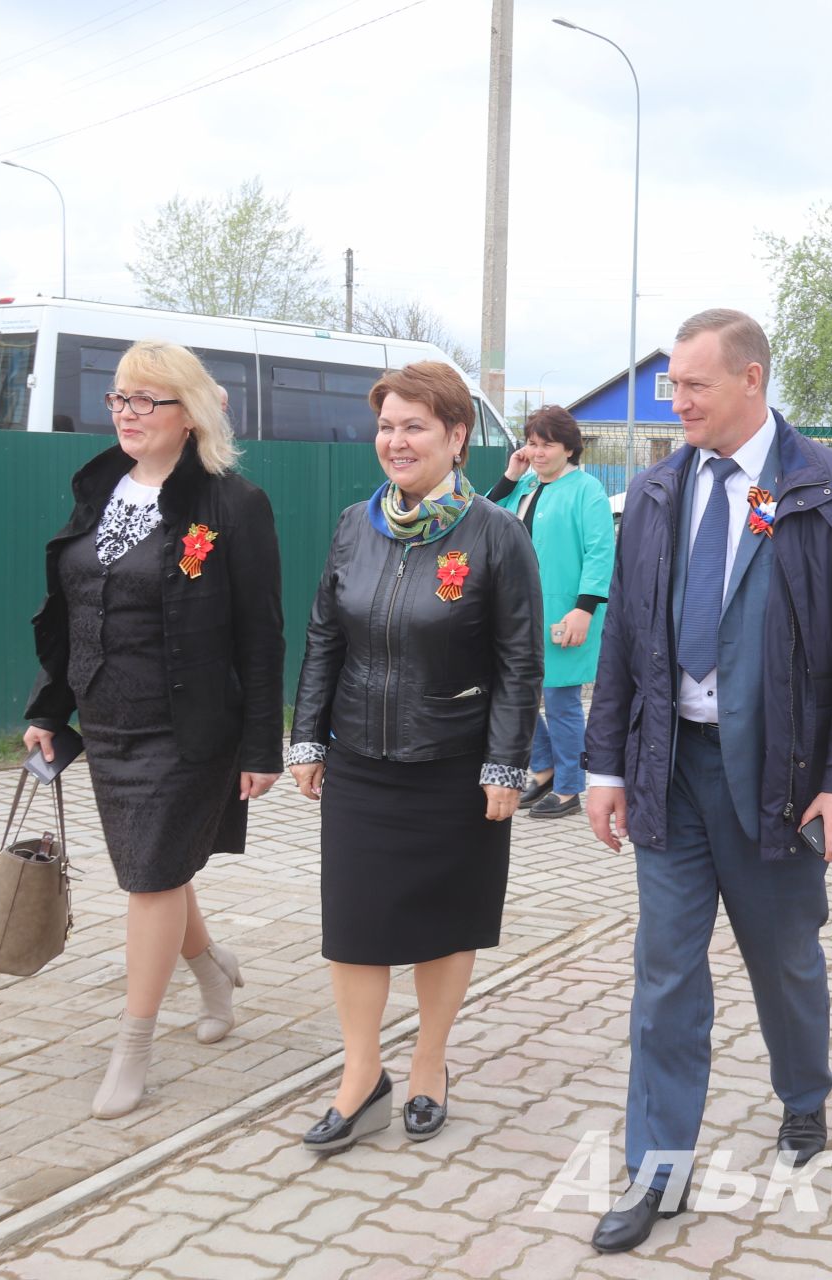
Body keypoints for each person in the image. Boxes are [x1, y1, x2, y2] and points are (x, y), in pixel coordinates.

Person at [580, 309, 832, 1253]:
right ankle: (658, 1171)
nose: (675, 402)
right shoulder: (657, 491)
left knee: (784, 958)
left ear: (752, 380)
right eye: (673, 385)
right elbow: (628, 639)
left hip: (781, 778)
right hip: (670, 767)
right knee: (666, 970)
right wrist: (604, 764)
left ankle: (804, 1096)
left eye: (693, 386)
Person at [23, 339, 284, 1120]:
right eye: (118, 399)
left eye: (145, 401)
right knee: (154, 872)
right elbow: (73, 606)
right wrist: (47, 707)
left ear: (189, 412)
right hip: (107, 720)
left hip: (188, 726)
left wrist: (261, 747)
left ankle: (132, 1048)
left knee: (149, 879)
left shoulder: (233, 503)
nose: (126, 415)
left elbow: (260, 634)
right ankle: (211, 970)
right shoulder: (101, 484)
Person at [286, 361, 542, 1153]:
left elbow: (518, 661)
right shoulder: (353, 525)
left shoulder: (497, 534)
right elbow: (326, 634)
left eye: (414, 427)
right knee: (354, 924)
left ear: (457, 436)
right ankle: (362, 1075)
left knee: (443, 919)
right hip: (360, 756)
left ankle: (429, 1063)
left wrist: (505, 763)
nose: (395, 442)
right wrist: (307, 734)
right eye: (387, 427)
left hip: (454, 763)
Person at [487, 405, 615, 820]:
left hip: (564, 611)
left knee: (560, 701)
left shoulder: (586, 490)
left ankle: (569, 788)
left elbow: (600, 552)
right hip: (516, 609)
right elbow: (485, 515)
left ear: (570, 448)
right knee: (513, 694)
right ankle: (542, 769)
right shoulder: (523, 484)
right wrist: (510, 473)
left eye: (547, 445)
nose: (537, 452)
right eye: (532, 443)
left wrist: (585, 610)